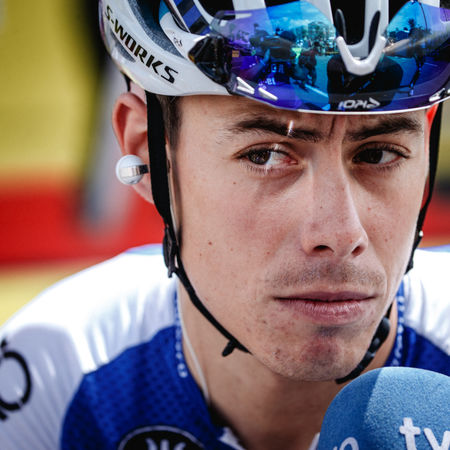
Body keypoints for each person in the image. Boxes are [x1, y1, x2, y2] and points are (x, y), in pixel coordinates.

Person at [1, 1, 449, 449]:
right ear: (146, 153)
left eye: (379, 153)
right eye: (265, 155)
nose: (341, 234)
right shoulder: (53, 377)